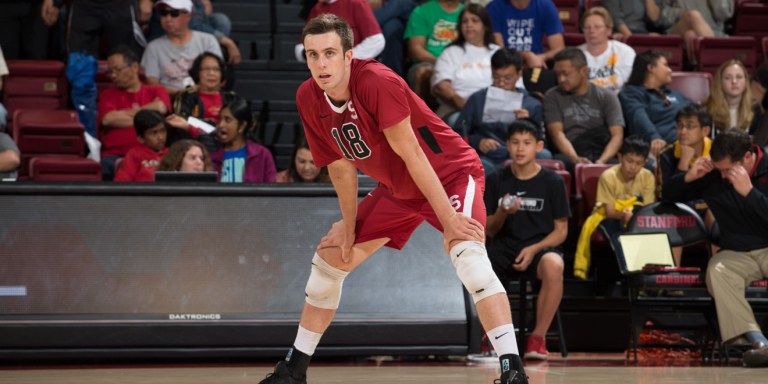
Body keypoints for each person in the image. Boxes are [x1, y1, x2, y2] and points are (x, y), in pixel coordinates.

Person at [259, 14, 527, 384]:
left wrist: (449, 220)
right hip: (398, 190)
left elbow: (413, 154)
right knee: (329, 263)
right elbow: (340, 167)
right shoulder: (308, 96)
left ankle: (513, 370)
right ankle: (294, 370)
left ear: (349, 55)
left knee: (469, 257)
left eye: (330, 53)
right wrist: (349, 227)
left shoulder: (376, 81)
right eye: (312, 55)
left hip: (448, 174)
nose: (321, 64)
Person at [662, 128, 768, 368]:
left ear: (749, 157)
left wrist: (750, 194)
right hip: (737, 252)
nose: (723, 176)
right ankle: (759, 343)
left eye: (728, 170)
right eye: (719, 170)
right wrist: (689, 177)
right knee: (717, 270)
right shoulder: (714, 175)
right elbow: (666, 197)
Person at [485, 119, 569, 360]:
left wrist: (534, 249)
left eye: (527, 143)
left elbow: (561, 231)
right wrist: (502, 212)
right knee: (476, 264)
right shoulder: (496, 179)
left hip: (539, 248)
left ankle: (537, 339)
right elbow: (489, 230)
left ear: (539, 146)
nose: (520, 149)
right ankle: (488, 338)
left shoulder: (553, 182)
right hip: (503, 246)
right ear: (507, 145)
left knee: (555, 264)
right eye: (515, 143)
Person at [574, 136, 655, 279]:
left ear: (645, 163)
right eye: (629, 161)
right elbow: (610, 211)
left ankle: (646, 278)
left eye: (639, 163)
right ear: (620, 157)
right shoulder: (608, 177)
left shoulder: (648, 176)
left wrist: (634, 218)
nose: (633, 167)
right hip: (609, 216)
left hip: (636, 215)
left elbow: (648, 209)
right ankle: (619, 276)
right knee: (615, 232)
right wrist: (624, 216)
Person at [454, 48, 545, 175]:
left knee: (545, 155)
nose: (501, 83)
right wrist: (478, 141)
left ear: (519, 74)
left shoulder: (532, 104)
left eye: (508, 78)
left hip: (519, 153)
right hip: (487, 156)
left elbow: (540, 141)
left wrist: (527, 123)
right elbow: (457, 133)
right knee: (479, 166)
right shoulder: (478, 99)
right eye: (496, 77)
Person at [544, 48, 625, 175]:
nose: (561, 79)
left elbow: (617, 135)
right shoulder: (552, 96)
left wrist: (601, 162)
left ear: (583, 71)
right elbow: (557, 133)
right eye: (558, 74)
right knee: (562, 163)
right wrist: (575, 159)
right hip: (570, 151)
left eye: (566, 73)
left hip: (601, 151)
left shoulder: (606, 96)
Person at [98, 45, 171, 181]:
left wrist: (123, 114)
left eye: (118, 70)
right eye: (110, 71)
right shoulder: (108, 95)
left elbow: (161, 108)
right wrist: (147, 115)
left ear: (135, 67)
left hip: (155, 154)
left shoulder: (155, 90)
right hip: (116, 156)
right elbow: (108, 119)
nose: (113, 76)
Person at [656, 104, 713, 265]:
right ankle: (672, 283)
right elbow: (665, 196)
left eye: (690, 126)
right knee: (673, 215)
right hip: (679, 208)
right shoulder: (667, 153)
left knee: (716, 215)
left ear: (705, 131)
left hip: (709, 207)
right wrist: (683, 165)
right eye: (680, 126)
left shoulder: (717, 151)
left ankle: (720, 276)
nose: (683, 131)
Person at [431, 3, 499, 124]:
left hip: (495, 109)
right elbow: (441, 86)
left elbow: (515, 84)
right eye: (465, 21)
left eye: (475, 20)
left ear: (486, 25)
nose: (469, 25)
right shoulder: (451, 52)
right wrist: (464, 104)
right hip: (457, 109)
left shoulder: (497, 52)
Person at [619, 50, 692, 161]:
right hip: (656, 147)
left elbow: (698, 112)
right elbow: (638, 117)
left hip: (685, 145)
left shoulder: (673, 94)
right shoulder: (631, 93)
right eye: (666, 65)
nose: (670, 70)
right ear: (651, 68)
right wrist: (653, 136)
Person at [141, 0, 223, 94]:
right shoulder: (153, 47)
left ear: (189, 15)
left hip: (204, 101)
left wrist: (189, 93)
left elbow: (220, 78)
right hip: (168, 103)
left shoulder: (208, 41)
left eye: (174, 13)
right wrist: (181, 94)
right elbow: (151, 83)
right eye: (163, 13)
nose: (168, 18)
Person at [403, 0, 463, 103]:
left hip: (462, 63)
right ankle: (420, 116)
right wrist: (442, 63)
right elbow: (416, 49)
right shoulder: (421, 11)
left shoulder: (468, 14)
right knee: (423, 72)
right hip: (430, 62)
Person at [209, 98, 276, 183]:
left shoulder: (262, 155)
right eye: (220, 119)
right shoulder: (211, 155)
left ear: (242, 126)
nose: (220, 125)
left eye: (227, 120)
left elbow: (271, 188)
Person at [295, 0, 384, 64]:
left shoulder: (355, 3)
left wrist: (344, 59)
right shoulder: (317, 9)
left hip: (355, 72)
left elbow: (376, 40)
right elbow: (301, 47)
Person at [485, 0, 565, 69]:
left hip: (535, 65)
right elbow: (499, 50)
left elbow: (559, 49)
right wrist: (525, 56)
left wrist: (540, 58)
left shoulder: (545, 6)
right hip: (505, 66)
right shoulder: (494, 8)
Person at [578, 6, 636, 95]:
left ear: (609, 30)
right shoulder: (576, 54)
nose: (591, 31)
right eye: (587, 27)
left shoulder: (625, 52)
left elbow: (626, 84)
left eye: (597, 27)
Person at [172, 51, 237, 125]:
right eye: (206, 69)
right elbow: (182, 123)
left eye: (216, 69)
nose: (211, 73)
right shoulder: (186, 98)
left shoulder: (231, 98)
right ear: (197, 73)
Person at [703, 60, 763, 137]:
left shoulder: (755, 109)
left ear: (746, 81)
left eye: (739, 77)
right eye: (728, 78)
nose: (734, 81)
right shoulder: (707, 108)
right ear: (720, 82)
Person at [113, 109, 168, 182]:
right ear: (141, 138)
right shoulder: (135, 154)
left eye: (163, 131)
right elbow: (122, 183)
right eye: (154, 133)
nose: (160, 137)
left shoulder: (171, 153)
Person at [369, 0, 416, 76]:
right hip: (391, 15)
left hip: (415, 11)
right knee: (391, 26)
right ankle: (391, 78)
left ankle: (363, 27)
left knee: (402, 3)